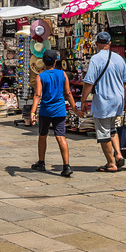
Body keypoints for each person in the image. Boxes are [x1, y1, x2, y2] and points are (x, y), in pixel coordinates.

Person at [80, 32, 126, 173]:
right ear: (109, 43)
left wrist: (83, 100)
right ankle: (118, 155)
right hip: (118, 100)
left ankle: (110, 163)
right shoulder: (119, 59)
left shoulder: (95, 59)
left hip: (104, 100)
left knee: (103, 133)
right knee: (112, 128)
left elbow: (88, 83)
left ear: (96, 44)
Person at [30, 49, 75, 177]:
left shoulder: (40, 76)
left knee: (42, 135)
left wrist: (33, 112)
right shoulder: (63, 74)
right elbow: (68, 93)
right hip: (60, 110)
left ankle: (41, 162)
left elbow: (38, 95)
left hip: (45, 110)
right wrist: (75, 108)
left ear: (43, 62)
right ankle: (66, 166)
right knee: (61, 137)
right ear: (55, 61)